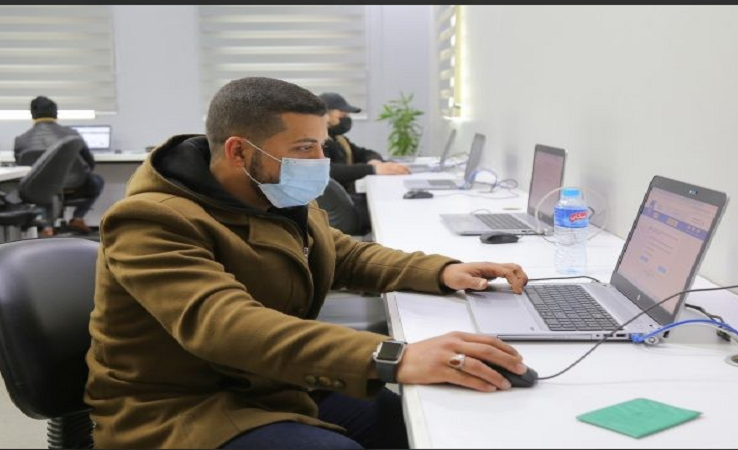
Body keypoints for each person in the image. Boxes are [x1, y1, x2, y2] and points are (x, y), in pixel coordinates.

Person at [85, 77, 530, 449]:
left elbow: (344, 254)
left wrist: (441, 271)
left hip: (270, 383)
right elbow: (223, 325)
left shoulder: (272, 195)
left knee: (408, 422)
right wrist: (393, 355)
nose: (321, 162)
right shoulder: (151, 220)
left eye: (322, 146)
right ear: (239, 152)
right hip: (180, 409)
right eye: (304, 148)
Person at [320, 93, 411, 235]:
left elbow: (364, 152)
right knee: (389, 207)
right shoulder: (318, 142)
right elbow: (329, 171)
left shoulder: (338, 139)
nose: (347, 118)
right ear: (324, 115)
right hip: (344, 206)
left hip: (350, 197)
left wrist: (374, 161)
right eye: (342, 114)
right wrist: (373, 169)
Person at [12, 96, 104, 235]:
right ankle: (78, 217)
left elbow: (23, 170)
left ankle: (47, 226)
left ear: (32, 115)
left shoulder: (21, 140)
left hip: (40, 189)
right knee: (98, 180)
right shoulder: (72, 135)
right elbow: (90, 162)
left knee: (44, 188)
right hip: (75, 186)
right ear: (55, 114)